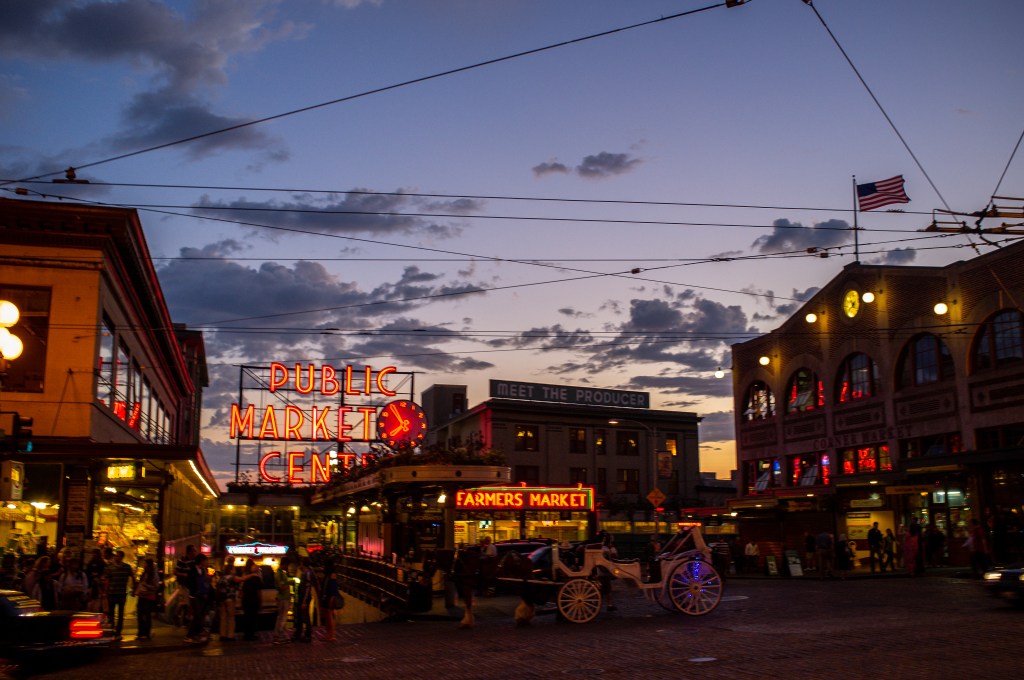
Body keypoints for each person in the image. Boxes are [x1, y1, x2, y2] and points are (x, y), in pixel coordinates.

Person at [103, 550, 136, 640]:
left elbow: (133, 577)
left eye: (118, 556)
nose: (116, 557)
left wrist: (134, 588)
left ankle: (118, 631)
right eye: (116, 556)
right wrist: (105, 591)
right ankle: (112, 630)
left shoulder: (127, 567)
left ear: (122, 557)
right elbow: (107, 580)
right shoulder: (110, 567)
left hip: (121, 593)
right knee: (111, 613)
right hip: (112, 593)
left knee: (121, 614)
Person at [184, 553, 212, 643]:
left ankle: (196, 633)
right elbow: (188, 582)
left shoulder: (204, 570)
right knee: (197, 615)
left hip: (202, 595)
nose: (207, 562)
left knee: (199, 615)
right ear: (201, 561)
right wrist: (194, 590)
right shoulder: (192, 570)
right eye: (206, 560)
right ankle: (190, 635)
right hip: (194, 596)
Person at [134, 558, 161, 640]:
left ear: (149, 565)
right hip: (142, 595)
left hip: (149, 597)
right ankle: (141, 632)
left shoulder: (154, 574)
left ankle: (146, 633)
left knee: (146, 615)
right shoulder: (145, 573)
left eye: (145, 564)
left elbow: (156, 586)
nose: (144, 565)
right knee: (140, 614)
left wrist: (146, 585)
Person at [293, 557, 317, 642]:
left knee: (305, 615)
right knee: (301, 615)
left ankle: (307, 634)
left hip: (304, 597)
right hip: (302, 596)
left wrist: (304, 601)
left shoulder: (307, 573)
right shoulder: (305, 572)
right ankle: (300, 633)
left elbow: (307, 587)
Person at [215, 556, 239, 642]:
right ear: (231, 570)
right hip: (230, 598)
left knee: (223, 617)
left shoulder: (221, 578)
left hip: (222, 599)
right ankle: (230, 635)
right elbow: (242, 579)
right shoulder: (232, 578)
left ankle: (223, 635)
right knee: (231, 617)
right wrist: (253, 574)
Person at [240, 559, 263, 641]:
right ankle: (251, 634)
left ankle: (247, 634)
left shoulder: (246, 578)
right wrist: (260, 602)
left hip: (246, 599)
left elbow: (242, 590)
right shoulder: (257, 579)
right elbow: (259, 592)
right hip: (254, 600)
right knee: (253, 617)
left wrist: (241, 600)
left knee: (247, 617)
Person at [273, 559, 294, 644]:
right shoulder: (280, 575)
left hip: (284, 597)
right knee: (282, 617)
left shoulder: (281, 573)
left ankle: (280, 635)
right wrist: (289, 583)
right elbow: (281, 588)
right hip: (283, 598)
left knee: (281, 617)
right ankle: (279, 636)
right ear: (284, 564)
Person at [322, 566, 343, 641]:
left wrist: (331, 599)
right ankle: (329, 634)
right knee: (328, 617)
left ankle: (331, 635)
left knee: (330, 617)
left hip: (330, 598)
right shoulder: (330, 577)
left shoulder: (331, 578)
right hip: (328, 597)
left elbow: (332, 589)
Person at [84, 548, 107, 613]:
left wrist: (98, 575)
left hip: (99, 584)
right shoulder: (91, 562)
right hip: (91, 583)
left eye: (95, 553)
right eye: (93, 553)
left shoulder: (101, 563)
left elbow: (104, 572)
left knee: (98, 600)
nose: (94, 555)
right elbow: (87, 571)